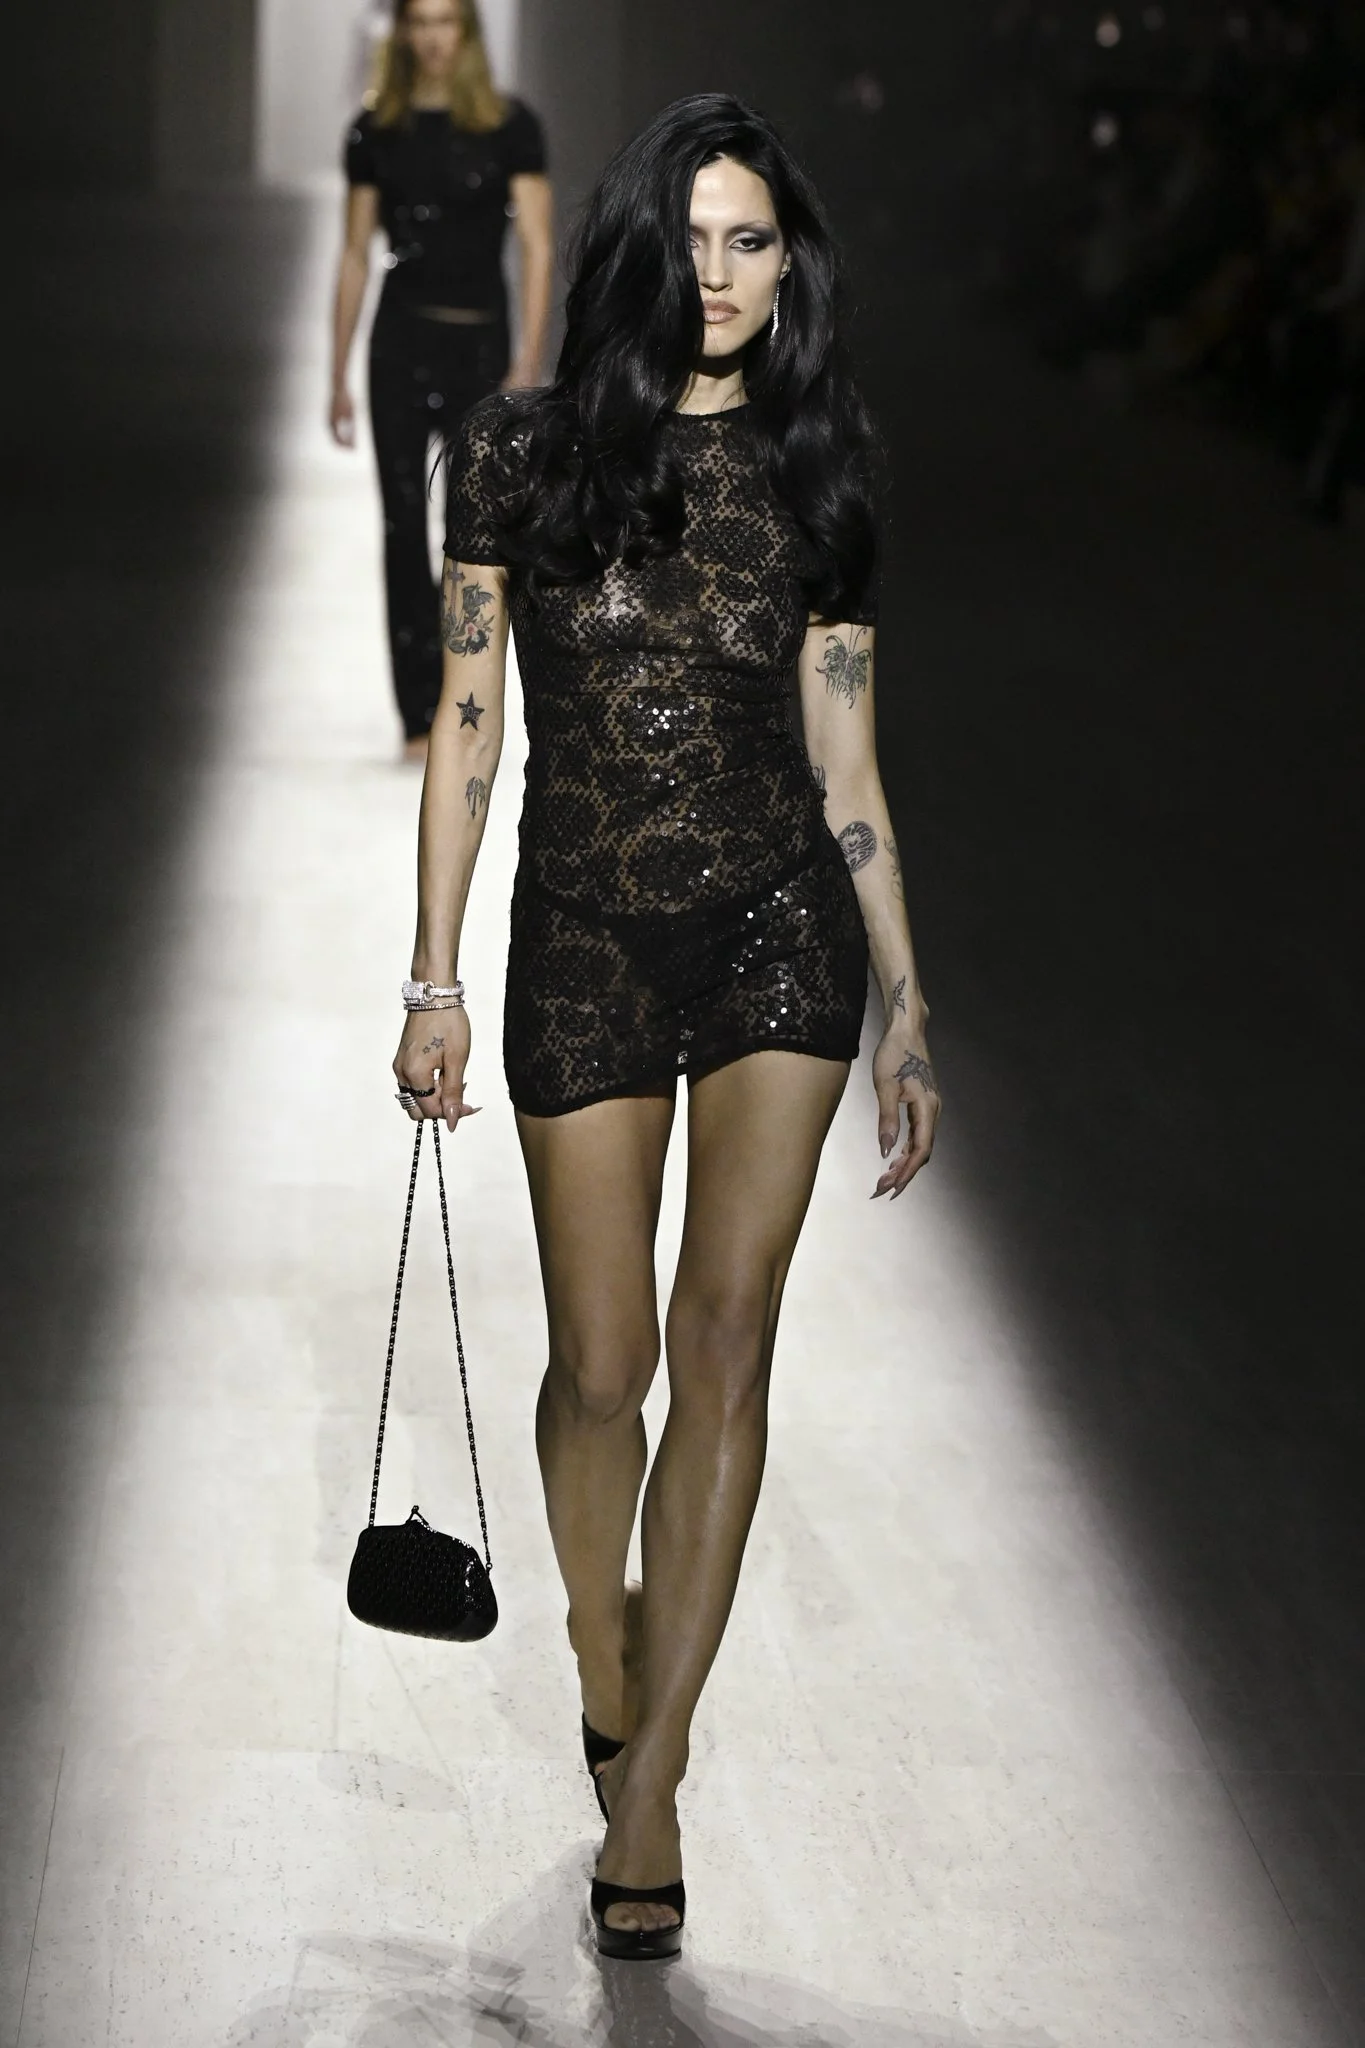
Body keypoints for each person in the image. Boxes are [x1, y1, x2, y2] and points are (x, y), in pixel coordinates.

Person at [392, 93, 940, 1961]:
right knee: (603, 1365)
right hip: (583, 934)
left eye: (750, 240)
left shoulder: (821, 466)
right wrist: (433, 973)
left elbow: (846, 759)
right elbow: (471, 725)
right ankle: (597, 1642)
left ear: (792, 266)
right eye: (691, 237)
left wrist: (907, 999)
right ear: (638, 244)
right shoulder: (520, 456)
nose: (717, 274)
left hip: (780, 931)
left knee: (723, 1344)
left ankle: (653, 1786)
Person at [329, 0, 553, 759]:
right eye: (419, 21)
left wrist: (527, 361)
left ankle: (465, 701)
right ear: (402, 32)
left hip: (480, 353)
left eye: (445, 21)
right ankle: (416, 712)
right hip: (398, 346)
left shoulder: (511, 127)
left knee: (473, 539)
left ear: (467, 32)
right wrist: (337, 373)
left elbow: (537, 243)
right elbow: (355, 252)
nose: (431, 36)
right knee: (400, 525)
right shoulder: (375, 132)